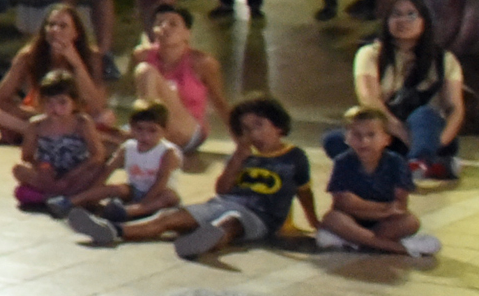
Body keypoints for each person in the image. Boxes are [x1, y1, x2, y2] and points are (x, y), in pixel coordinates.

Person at [67, 95, 313, 260]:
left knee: (228, 224)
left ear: (278, 126)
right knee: (168, 218)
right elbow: (223, 190)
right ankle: (114, 230)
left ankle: (201, 243)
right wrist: (237, 160)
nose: (253, 134)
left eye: (259, 126)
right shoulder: (243, 155)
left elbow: (304, 190)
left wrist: (314, 221)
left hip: (260, 216)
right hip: (224, 203)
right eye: (246, 129)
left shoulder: (294, 157)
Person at [323, 0, 465, 181]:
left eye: (411, 15)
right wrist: (400, 133)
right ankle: (429, 167)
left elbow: (455, 109)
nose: (402, 21)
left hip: (428, 135)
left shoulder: (444, 59)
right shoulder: (370, 54)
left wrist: (437, 142)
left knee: (424, 115)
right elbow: (369, 100)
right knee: (334, 141)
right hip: (386, 134)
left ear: (425, 21)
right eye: (396, 14)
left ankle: (417, 161)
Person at [316, 106, 441, 259]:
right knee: (332, 219)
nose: (364, 141)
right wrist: (384, 208)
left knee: (410, 221)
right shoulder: (343, 162)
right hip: (351, 220)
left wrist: (376, 210)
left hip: (385, 223)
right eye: (357, 135)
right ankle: (397, 247)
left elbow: (399, 206)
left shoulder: (397, 163)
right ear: (347, 138)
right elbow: (342, 203)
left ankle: (357, 242)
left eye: (371, 135)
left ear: (386, 139)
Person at [0, 3, 107, 141]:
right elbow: (0, 100)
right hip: (37, 115)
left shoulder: (91, 56)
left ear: (76, 33)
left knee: (106, 117)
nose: (55, 30)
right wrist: (37, 115)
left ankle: (41, 133)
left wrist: (76, 64)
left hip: (76, 119)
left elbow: (97, 107)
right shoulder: (29, 55)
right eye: (51, 25)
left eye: (63, 26)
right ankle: (39, 133)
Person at [130, 4, 226, 153]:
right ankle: (148, 138)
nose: (165, 27)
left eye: (173, 24)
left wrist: (242, 142)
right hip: (152, 130)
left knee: (146, 71)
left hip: (188, 130)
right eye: (159, 23)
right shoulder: (141, 55)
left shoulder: (202, 62)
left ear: (187, 33)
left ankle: (149, 140)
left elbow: (220, 103)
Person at [66, 103, 184, 223]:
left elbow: (161, 181)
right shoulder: (128, 148)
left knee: (169, 196)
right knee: (118, 188)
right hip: (134, 191)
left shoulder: (168, 152)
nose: (145, 136)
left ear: (164, 131)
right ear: (131, 128)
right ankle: (70, 202)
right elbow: (107, 170)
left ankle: (127, 212)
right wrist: (94, 192)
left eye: (152, 131)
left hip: (158, 194)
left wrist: (142, 204)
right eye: (139, 129)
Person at [13, 73, 103, 208]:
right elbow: (27, 156)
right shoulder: (36, 125)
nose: (55, 108)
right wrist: (43, 168)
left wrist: (71, 175)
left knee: (98, 170)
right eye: (49, 102)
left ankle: (58, 197)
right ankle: (57, 196)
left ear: (74, 102)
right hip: (48, 174)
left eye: (62, 102)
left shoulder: (82, 123)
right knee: (18, 169)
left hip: (76, 172)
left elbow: (97, 155)